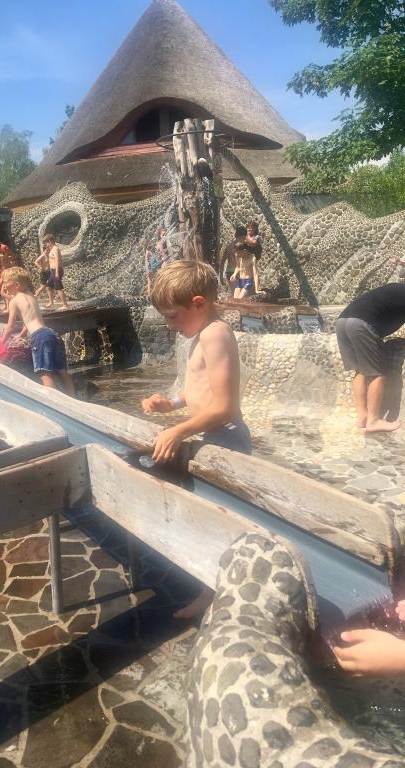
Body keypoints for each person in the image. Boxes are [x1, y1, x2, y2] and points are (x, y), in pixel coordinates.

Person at [141, 260, 251, 618]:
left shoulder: (215, 334)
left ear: (199, 303)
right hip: (211, 434)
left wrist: (178, 429)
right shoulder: (200, 334)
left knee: (220, 520)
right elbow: (198, 391)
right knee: (208, 515)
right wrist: (170, 404)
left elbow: (226, 407)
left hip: (226, 439)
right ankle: (211, 586)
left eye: (173, 316)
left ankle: (214, 593)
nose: (170, 325)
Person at [336, 283, 405, 433]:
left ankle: (363, 416)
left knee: (360, 370)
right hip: (361, 324)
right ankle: (373, 421)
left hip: (342, 322)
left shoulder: (397, 289)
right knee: (378, 373)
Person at [0, 266, 75, 395]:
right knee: (62, 371)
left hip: (39, 337)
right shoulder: (30, 295)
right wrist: (21, 334)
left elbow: (10, 327)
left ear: (17, 285)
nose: (4, 285)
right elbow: (29, 320)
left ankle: (52, 400)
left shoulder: (14, 302)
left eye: (6, 282)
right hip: (50, 333)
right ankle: (73, 397)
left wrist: (1, 343)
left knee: (44, 372)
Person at [231, 226, 259, 299]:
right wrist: (234, 274)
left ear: (244, 251)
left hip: (248, 281)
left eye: (239, 253)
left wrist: (257, 289)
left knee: (240, 300)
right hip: (240, 280)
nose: (238, 255)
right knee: (235, 300)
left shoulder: (252, 258)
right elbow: (238, 267)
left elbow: (255, 274)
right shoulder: (238, 256)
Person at [43, 234, 69, 309]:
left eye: (46, 242)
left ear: (50, 241)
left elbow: (57, 260)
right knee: (48, 286)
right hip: (52, 271)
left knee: (58, 287)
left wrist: (57, 272)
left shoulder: (55, 249)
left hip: (57, 270)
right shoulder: (51, 249)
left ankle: (65, 305)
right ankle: (51, 302)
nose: (46, 244)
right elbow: (50, 260)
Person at [144, 227, 169, 295]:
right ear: (159, 235)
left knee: (155, 281)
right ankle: (151, 296)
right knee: (151, 282)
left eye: (165, 234)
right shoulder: (157, 244)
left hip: (157, 263)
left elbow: (162, 255)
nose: (164, 236)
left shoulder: (163, 243)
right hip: (153, 264)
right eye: (163, 235)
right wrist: (147, 269)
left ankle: (156, 295)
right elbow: (146, 258)